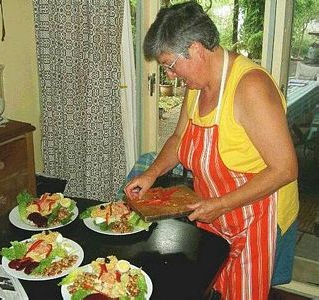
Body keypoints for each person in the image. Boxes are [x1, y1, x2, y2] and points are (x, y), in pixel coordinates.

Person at [124, 2, 299, 299]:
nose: (170, 75)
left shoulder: (250, 87)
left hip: (258, 219)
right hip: (216, 212)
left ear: (195, 49)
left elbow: (285, 168)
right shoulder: (196, 87)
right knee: (214, 286)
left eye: (169, 64)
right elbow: (179, 139)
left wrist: (222, 204)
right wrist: (151, 174)